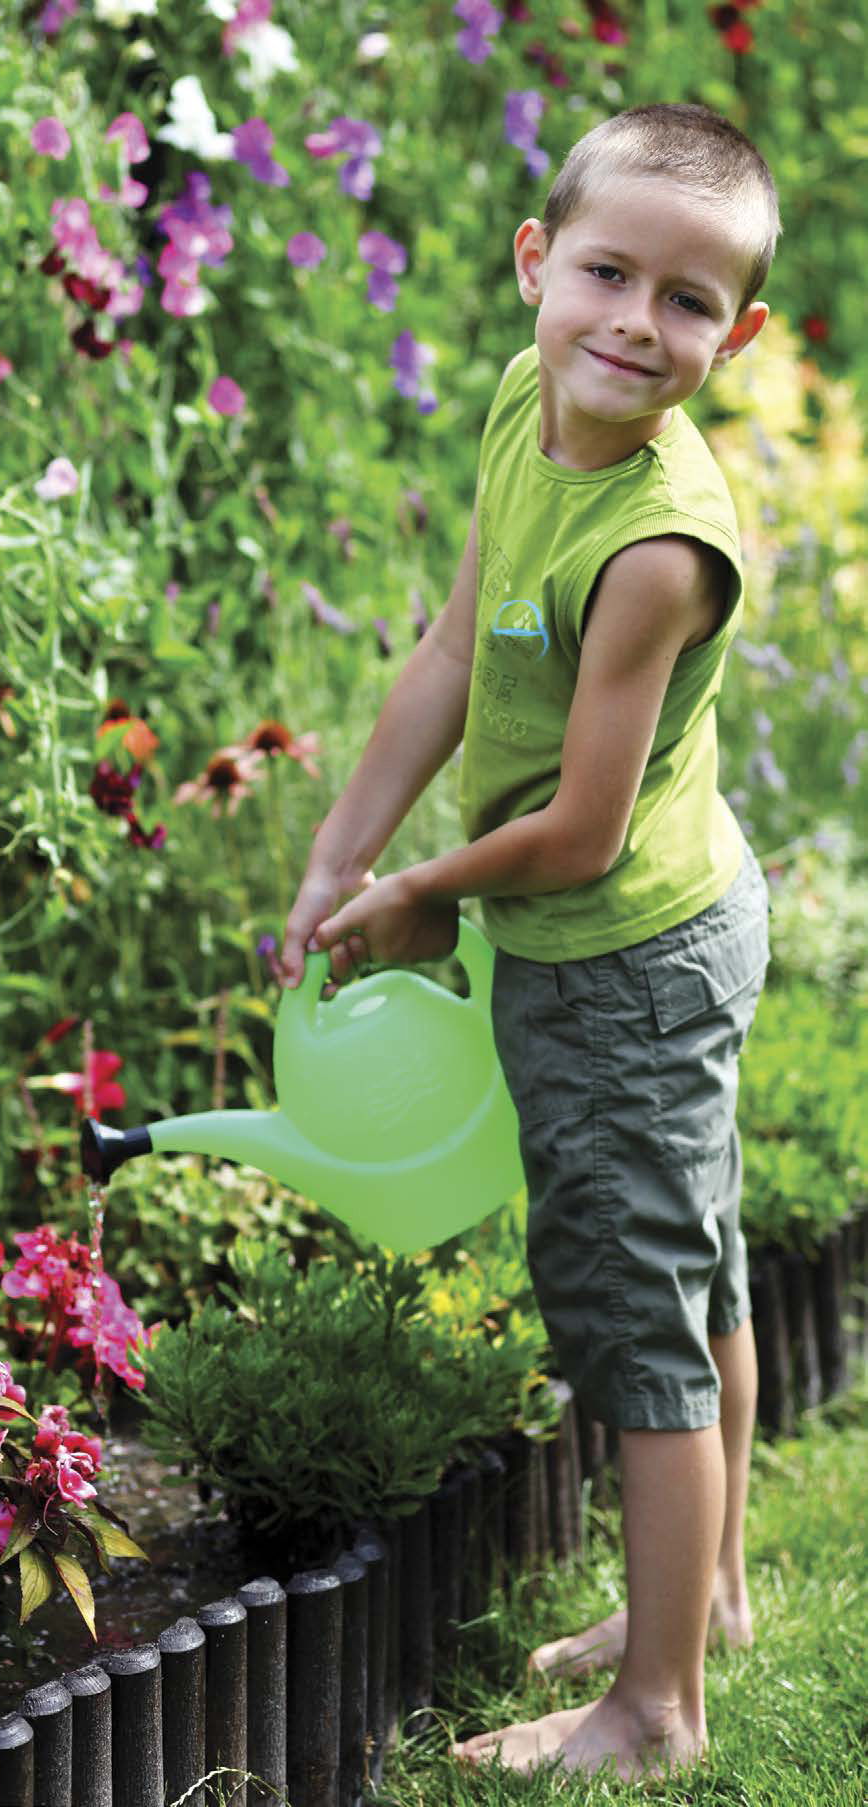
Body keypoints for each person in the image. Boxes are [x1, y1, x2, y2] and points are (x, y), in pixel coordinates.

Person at [278, 102, 778, 1784]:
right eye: (611, 274)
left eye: (692, 302)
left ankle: (653, 1714)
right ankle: (699, 1603)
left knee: (637, 1309)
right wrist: (344, 848)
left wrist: (425, 893)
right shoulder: (525, 407)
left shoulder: (655, 548)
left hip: (629, 955)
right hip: (654, 922)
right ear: (534, 268)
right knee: (692, 1259)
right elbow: (443, 647)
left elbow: (576, 832)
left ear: (744, 331)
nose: (640, 324)